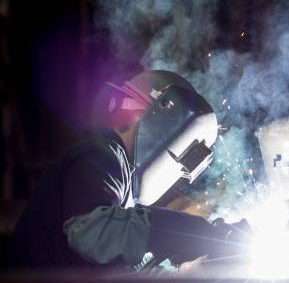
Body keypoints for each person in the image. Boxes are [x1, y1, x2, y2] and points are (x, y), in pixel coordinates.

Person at [9, 70, 247, 268]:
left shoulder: (125, 193)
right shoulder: (102, 154)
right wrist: (195, 232)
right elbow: (93, 231)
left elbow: (127, 261)